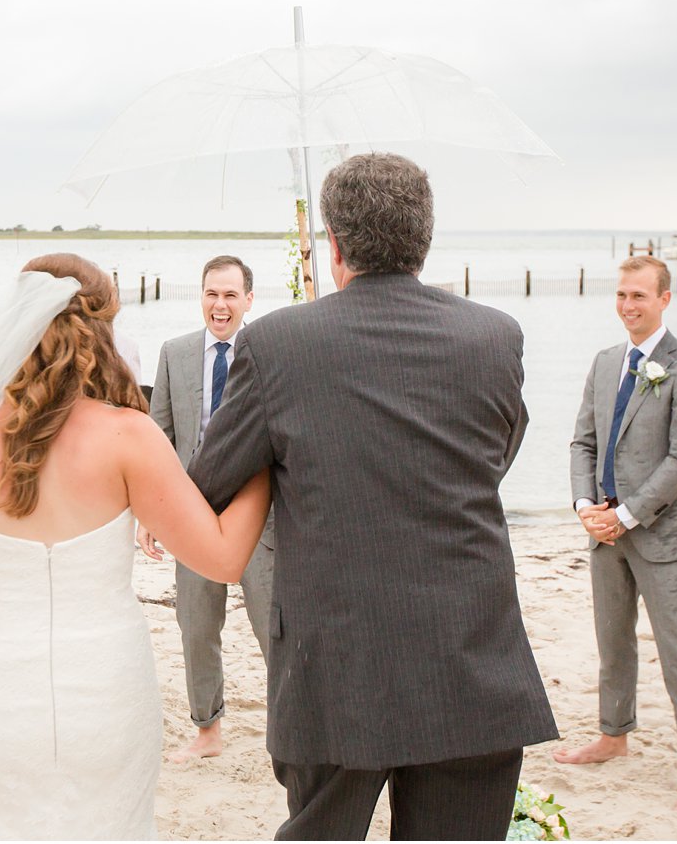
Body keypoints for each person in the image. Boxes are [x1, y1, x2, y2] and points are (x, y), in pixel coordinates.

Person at [187, 153, 557, 840]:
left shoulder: (275, 343)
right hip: (471, 653)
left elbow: (211, 481)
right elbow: (493, 458)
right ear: (425, 237)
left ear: (333, 245)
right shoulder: (494, 336)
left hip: (337, 663)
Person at [0, 254, 271, 840]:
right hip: (107, 693)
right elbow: (224, 557)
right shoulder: (128, 435)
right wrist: (262, 461)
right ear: (101, 329)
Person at [555, 256, 677, 811]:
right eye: (622, 295)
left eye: (640, 296)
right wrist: (584, 506)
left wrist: (626, 515)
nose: (628, 306)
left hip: (660, 535)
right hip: (603, 532)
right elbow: (583, 443)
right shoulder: (605, 363)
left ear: (664, 298)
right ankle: (613, 735)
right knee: (612, 643)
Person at [136, 255, 274, 763]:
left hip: (259, 513)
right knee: (196, 625)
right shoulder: (174, 353)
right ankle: (207, 731)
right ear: (201, 296)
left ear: (249, 301)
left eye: (231, 295)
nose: (220, 305)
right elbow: (158, 438)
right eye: (212, 294)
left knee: (271, 624)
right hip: (191, 513)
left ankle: (288, 730)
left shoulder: (272, 351)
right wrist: (149, 514)